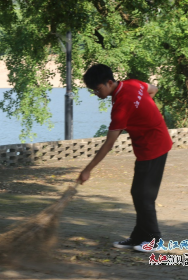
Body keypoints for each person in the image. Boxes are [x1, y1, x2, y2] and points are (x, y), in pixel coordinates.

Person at [77, 64, 173, 252]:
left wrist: (87, 169)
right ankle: (139, 237)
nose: (97, 93)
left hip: (154, 147)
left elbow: (108, 144)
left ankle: (155, 241)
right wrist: (142, 116)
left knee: (144, 196)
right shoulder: (133, 84)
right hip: (149, 145)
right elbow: (153, 89)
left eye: (98, 89)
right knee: (138, 193)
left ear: (110, 82)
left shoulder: (121, 107)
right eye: (93, 91)